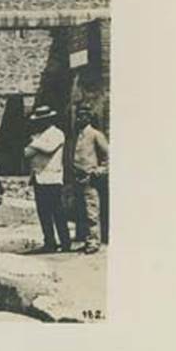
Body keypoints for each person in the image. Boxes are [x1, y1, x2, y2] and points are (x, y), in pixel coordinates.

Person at [24, 104, 71, 253]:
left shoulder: (56, 133)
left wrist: (35, 143)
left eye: (43, 120)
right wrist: (36, 145)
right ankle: (49, 242)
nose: (39, 123)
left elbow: (48, 149)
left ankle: (65, 242)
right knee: (43, 213)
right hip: (39, 177)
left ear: (49, 119)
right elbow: (26, 153)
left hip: (52, 177)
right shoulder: (41, 136)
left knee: (58, 212)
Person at [73, 104, 110, 254]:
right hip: (77, 178)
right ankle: (86, 239)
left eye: (83, 115)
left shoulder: (95, 135)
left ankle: (94, 242)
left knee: (91, 211)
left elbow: (109, 156)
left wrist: (100, 170)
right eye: (78, 115)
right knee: (81, 211)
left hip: (90, 178)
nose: (80, 118)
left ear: (89, 117)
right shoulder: (77, 135)